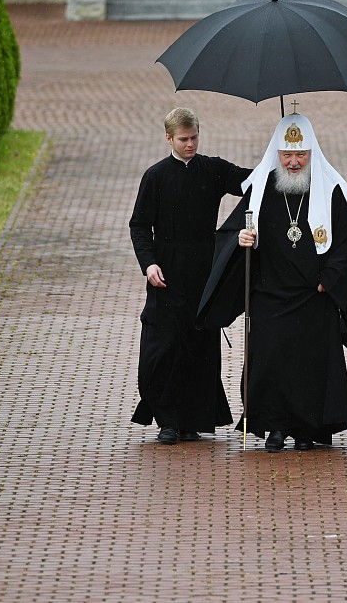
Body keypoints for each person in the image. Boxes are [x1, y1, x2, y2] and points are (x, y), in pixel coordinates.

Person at [199, 113, 347, 452]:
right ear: (277, 153)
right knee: (270, 364)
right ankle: (275, 427)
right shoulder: (260, 188)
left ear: (311, 152)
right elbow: (233, 232)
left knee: (309, 366)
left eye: (300, 154)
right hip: (270, 295)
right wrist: (241, 239)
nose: (294, 162)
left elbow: (346, 242)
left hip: (313, 296)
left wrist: (329, 280)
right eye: (287, 154)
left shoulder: (329, 189)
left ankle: (307, 429)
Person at [128, 107, 251, 444]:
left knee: (200, 346)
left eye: (194, 137)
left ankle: (193, 420)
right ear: (169, 138)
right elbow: (139, 226)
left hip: (204, 272)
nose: (190, 144)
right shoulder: (155, 176)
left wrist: (280, 159)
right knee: (164, 346)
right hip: (166, 272)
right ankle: (167, 420)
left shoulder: (212, 169)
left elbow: (250, 183)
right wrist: (148, 264)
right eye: (183, 139)